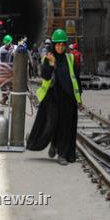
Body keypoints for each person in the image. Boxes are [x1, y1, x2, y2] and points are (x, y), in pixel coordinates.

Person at [26, 29, 82, 165]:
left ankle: (62, 154)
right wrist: (51, 64)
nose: (60, 47)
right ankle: (53, 143)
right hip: (52, 98)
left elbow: (76, 78)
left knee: (65, 126)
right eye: (57, 45)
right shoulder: (48, 58)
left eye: (62, 45)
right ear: (53, 45)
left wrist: (79, 98)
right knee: (51, 124)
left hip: (67, 98)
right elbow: (45, 76)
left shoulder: (70, 58)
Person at [0, 35, 16, 104]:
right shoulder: (1, 49)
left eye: (8, 43)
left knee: (13, 85)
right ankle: (4, 98)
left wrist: (14, 53)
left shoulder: (15, 48)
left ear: (11, 42)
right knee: (2, 84)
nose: (6, 45)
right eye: (5, 43)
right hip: (4, 69)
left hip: (13, 69)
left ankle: (14, 100)